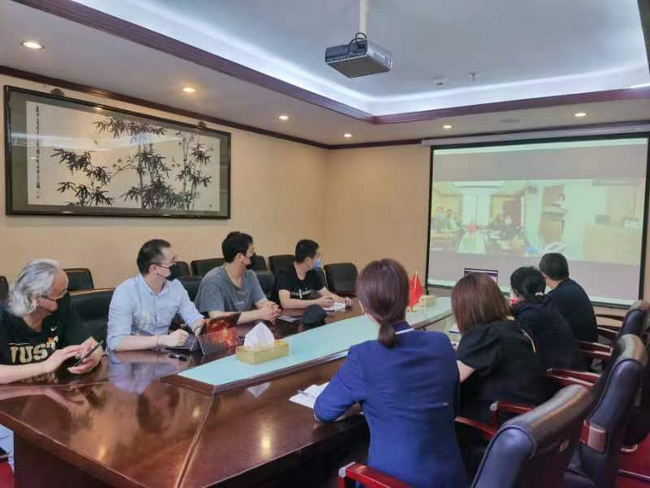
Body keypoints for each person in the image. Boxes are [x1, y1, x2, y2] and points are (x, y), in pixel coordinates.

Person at [315, 259, 466, 488]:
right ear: (408, 299)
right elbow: (453, 402)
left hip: (393, 483)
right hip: (451, 479)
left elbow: (323, 411)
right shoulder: (441, 343)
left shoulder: (363, 356)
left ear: (363, 308)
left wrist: (361, 405)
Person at [0, 259, 103, 468]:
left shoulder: (62, 308)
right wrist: (44, 365)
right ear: (35, 298)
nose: (65, 297)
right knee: (32, 461)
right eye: (60, 293)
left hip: (53, 402)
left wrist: (93, 356)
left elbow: (91, 344)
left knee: (81, 446)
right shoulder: (3, 318)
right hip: (9, 409)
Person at [453, 273, 552, 424]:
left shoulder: (484, 334)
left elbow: (450, 378)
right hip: (530, 418)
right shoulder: (515, 326)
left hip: (500, 422)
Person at [107, 239, 205, 352]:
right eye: (172, 262)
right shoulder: (126, 292)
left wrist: (199, 327)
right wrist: (162, 340)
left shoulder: (176, 287)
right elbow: (116, 341)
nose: (176, 265)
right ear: (155, 269)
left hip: (163, 354)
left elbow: (193, 317)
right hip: (132, 355)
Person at [194, 232, 281, 324]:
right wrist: (259, 314)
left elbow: (262, 303)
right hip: (214, 331)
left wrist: (271, 308)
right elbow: (217, 318)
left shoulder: (250, 275)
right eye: (251, 251)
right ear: (240, 257)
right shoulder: (212, 280)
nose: (254, 255)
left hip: (242, 329)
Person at [510, 267, 586, 370]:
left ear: (515, 292)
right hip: (569, 366)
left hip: (560, 374)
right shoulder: (545, 302)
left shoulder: (529, 316)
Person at [276, 239, 351, 310]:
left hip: (302, 313)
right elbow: (285, 303)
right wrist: (317, 302)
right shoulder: (284, 273)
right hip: (283, 315)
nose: (319, 260)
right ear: (308, 260)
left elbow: (327, 294)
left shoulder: (312, 273)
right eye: (317, 257)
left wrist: (343, 300)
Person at [539, 253, 598, 342]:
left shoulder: (555, 296)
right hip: (587, 341)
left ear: (543, 275)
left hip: (580, 347)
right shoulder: (573, 286)